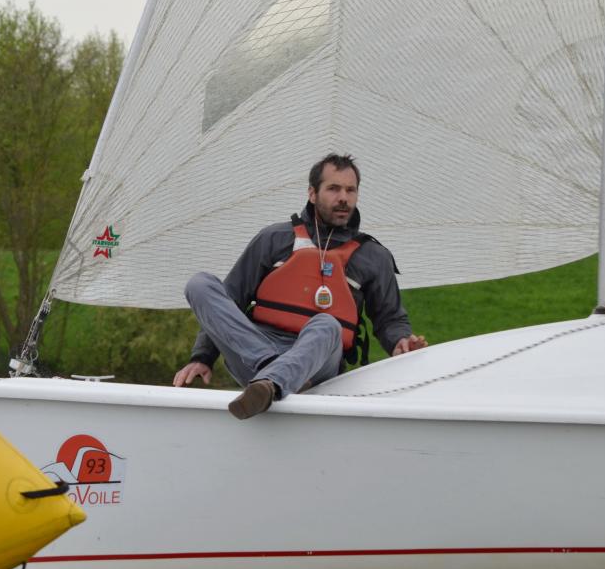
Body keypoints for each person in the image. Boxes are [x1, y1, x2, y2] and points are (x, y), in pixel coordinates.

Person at [172, 153, 426, 419]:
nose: (343, 198)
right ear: (312, 194)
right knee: (199, 284)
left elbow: (390, 318)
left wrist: (400, 341)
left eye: (350, 190)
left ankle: (273, 380)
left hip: (318, 363)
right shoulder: (273, 238)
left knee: (327, 324)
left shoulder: (374, 257)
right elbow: (231, 299)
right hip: (255, 351)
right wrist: (202, 357)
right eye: (334, 188)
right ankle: (274, 373)